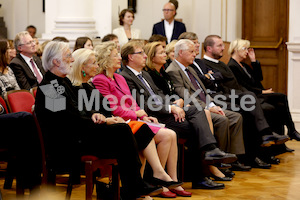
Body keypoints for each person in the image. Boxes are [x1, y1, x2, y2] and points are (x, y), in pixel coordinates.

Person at [34, 41, 163, 200]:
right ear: (55, 61)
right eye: (68, 56)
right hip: (66, 144)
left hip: (78, 135)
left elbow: (79, 110)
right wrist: (101, 121)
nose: (72, 60)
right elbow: (67, 121)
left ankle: (133, 186)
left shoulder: (62, 82)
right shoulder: (49, 86)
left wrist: (96, 115)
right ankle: (134, 186)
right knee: (122, 131)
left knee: (130, 132)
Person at [120, 40, 238, 190]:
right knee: (196, 129)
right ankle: (200, 174)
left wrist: (174, 103)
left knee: (196, 110)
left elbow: (159, 95)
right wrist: (171, 108)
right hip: (155, 116)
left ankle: (210, 150)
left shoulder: (144, 75)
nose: (145, 56)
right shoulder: (127, 76)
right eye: (141, 53)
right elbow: (144, 104)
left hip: (164, 111)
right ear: (130, 57)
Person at [91, 42, 190, 197]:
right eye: (115, 55)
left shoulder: (118, 77)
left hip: (132, 120)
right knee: (159, 135)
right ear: (106, 59)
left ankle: (159, 181)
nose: (119, 57)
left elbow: (132, 102)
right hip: (121, 122)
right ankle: (152, 180)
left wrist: (143, 115)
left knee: (169, 134)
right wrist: (137, 115)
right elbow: (113, 108)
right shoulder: (100, 79)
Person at [202, 35, 291, 161]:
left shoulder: (222, 64)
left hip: (234, 94)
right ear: (209, 48)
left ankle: (266, 149)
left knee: (268, 105)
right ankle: (258, 147)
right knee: (252, 107)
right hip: (223, 98)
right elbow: (214, 85)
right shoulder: (203, 64)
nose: (223, 48)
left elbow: (235, 83)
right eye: (220, 45)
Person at [227, 39, 300, 141]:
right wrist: (262, 92)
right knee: (281, 98)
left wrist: (253, 61)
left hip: (257, 92)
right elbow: (243, 86)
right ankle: (291, 131)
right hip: (252, 95)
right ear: (236, 49)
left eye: (248, 49)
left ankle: (283, 141)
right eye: (244, 49)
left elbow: (258, 78)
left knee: (280, 104)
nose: (247, 52)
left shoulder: (244, 65)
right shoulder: (231, 66)